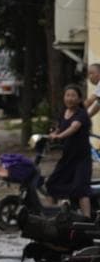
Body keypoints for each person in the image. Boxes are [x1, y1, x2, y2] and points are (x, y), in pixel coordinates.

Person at [45, 84, 93, 218]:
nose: (70, 98)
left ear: (79, 99)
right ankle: (49, 218)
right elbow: (59, 128)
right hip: (67, 158)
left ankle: (87, 220)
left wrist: (59, 136)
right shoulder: (63, 113)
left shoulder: (82, 114)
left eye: (73, 96)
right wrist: (52, 135)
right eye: (67, 95)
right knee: (51, 185)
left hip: (81, 159)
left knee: (81, 190)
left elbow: (74, 127)